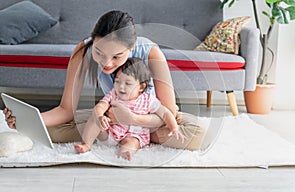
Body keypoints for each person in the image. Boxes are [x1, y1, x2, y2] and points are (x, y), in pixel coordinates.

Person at [4, 10, 205, 151]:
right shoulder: (83, 51)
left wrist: (133, 120)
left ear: (132, 46)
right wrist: (27, 121)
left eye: (117, 56)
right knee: (52, 131)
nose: (106, 63)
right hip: (110, 119)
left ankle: (134, 137)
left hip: (151, 117)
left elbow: (168, 112)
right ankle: (125, 137)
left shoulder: (151, 53)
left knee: (196, 135)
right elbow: (66, 110)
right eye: (99, 53)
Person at [74, 58, 183, 160]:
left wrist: (174, 127)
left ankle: (125, 152)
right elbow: (101, 105)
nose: (121, 87)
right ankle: (86, 144)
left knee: (132, 143)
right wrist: (100, 117)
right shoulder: (113, 94)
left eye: (128, 83)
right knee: (94, 119)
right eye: (117, 81)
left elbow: (165, 113)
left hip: (135, 134)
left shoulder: (148, 100)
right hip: (110, 132)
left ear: (141, 87)